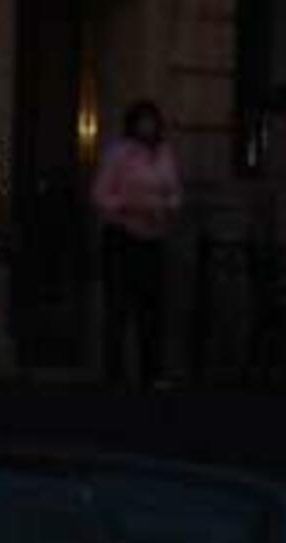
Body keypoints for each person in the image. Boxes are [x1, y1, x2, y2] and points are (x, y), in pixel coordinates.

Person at [90, 99, 180, 388]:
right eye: (143, 121)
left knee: (152, 310)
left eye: (152, 121)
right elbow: (100, 194)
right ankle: (113, 374)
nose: (148, 127)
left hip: (154, 239)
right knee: (118, 309)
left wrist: (165, 207)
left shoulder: (165, 153)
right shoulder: (119, 153)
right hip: (123, 239)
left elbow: (175, 191)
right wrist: (128, 206)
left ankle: (152, 373)